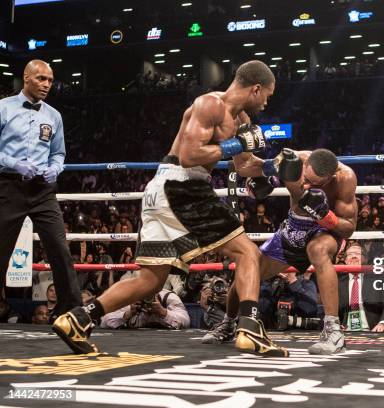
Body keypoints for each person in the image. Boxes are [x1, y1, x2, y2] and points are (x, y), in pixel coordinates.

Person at [53, 60, 294, 357]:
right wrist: (236, 144)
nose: (267, 102)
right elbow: (190, 155)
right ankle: (250, 329)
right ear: (256, 88)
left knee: (150, 279)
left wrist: (273, 165)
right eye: (267, 95)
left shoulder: (242, 120)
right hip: (181, 184)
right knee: (248, 253)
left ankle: (77, 318)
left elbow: (244, 166)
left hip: (164, 190)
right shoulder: (209, 104)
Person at [202, 148, 358, 355]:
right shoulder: (293, 159)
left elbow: (349, 228)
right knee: (250, 268)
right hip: (292, 230)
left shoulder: (345, 178)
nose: (307, 186)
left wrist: (326, 215)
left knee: (318, 250)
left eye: (314, 183)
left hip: (323, 232)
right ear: (306, 164)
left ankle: (333, 331)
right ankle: (229, 323)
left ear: (331, 176)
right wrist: (258, 179)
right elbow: (255, 167)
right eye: (306, 179)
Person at [0, 60, 81, 322]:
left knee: (60, 248)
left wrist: (55, 169)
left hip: (43, 190)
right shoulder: (3, 108)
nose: (47, 84)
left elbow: (58, 153)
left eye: (50, 79)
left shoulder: (53, 115)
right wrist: (14, 164)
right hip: (8, 186)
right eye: (41, 79)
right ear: (26, 77)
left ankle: (72, 313)